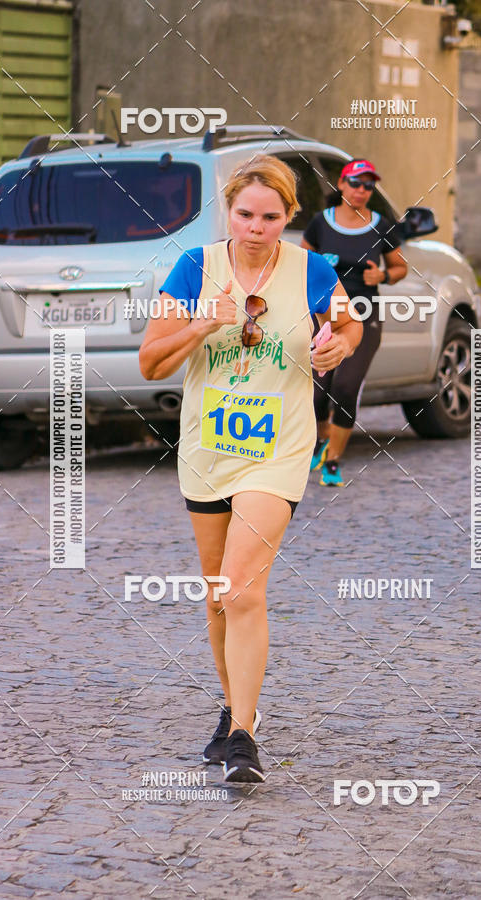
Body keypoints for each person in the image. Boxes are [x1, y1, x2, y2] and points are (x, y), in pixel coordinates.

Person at [139, 155, 362, 783]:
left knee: (241, 587)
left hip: (278, 449)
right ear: (228, 212)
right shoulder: (195, 269)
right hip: (208, 450)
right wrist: (204, 321)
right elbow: (150, 363)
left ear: (290, 216)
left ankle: (242, 736)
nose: (257, 227)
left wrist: (333, 346)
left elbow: (349, 329)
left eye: (271, 216)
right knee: (218, 594)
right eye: (245, 214)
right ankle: (237, 707)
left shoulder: (312, 269)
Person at [301, 159, 408, 486]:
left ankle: (332, 462)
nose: (362, 190)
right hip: (325, 314)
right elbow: (302, 263)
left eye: (368, 185)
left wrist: (384, 275)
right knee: (318, 393)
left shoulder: (382, 225)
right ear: (342, 185)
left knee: (345, 388)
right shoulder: (321, 223)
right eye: (356, 183)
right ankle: (321, 441)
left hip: (364, 314)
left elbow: (401, 267)